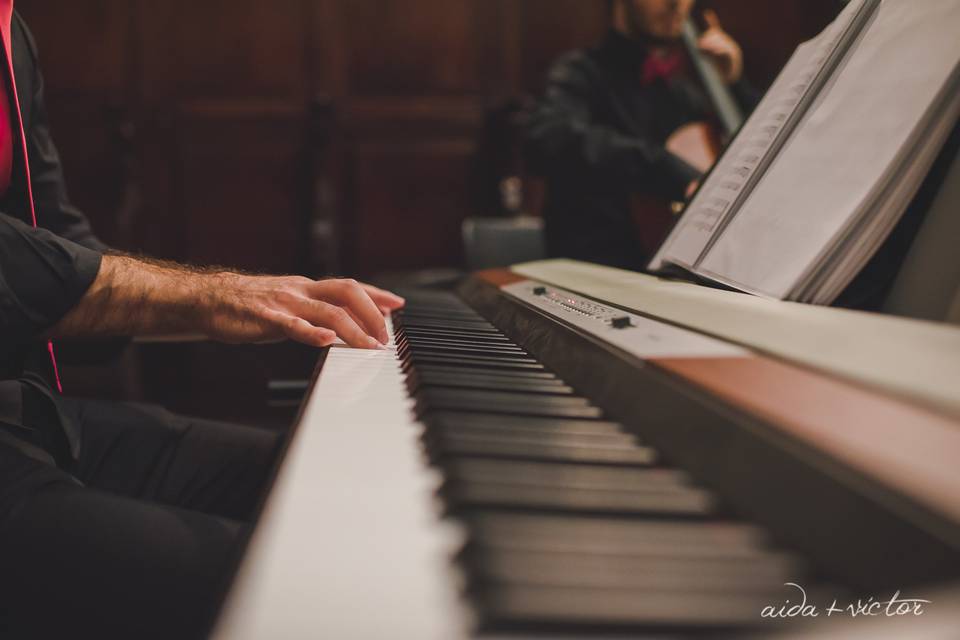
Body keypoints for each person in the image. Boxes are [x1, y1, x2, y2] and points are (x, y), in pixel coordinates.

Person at [0, 4, 404, 638]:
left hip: (22, 412)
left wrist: (269, 305)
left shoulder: (9, 26)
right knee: (323, 588)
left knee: (360, 495)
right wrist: (207, 297)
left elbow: (52, 233)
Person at [526, 0, 758, 270]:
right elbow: (546, 138)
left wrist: (734, 85)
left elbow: (754, 152)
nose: (677, 4)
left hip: (672, 278)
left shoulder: (683, 95)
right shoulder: (579, 73)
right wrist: (666, 168)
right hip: (592, 272)